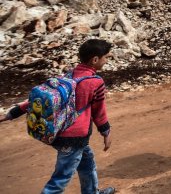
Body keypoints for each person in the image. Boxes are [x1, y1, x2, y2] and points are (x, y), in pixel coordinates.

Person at [0, 39, 116, 194]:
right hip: (74, 137)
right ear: (95, 60)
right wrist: (106, 132)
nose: (107, 61)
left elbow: (39, 100)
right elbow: (98, 112)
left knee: (87, 162)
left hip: (56, 131)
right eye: (106, 57)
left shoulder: (68, 75)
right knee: (61, 178)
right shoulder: (95, 82)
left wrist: (13, 113)